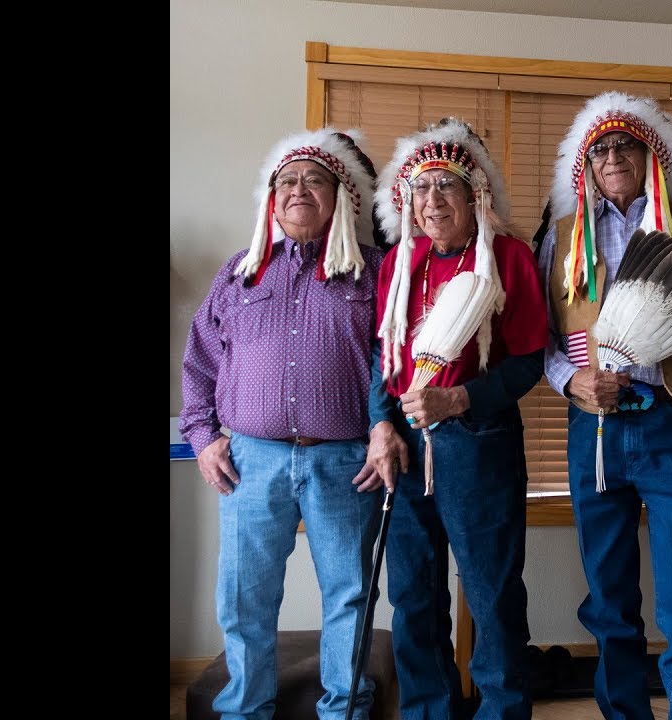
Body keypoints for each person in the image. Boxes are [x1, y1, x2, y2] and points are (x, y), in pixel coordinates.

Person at [536, 92, 672, 720]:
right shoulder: (563, 236)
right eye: (599, 149)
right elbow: (540, 336)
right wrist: (568, 380)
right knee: (608, 592)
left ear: (650, 152)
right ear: (585, 165)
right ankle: (624, 711)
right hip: (593, 428)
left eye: (625, 144)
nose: (612, 157)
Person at [179, 128, 388, 720]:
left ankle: (344, 709)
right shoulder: (238, 273)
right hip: (250, 460)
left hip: (346, 463)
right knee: (245, 600)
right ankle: (247, 709)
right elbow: (199, 361)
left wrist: (383, 430)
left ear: (342, 196)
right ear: (272, 198)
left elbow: (391, 365)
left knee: (350, 595)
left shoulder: (373, 273)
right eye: (287, 181)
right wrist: (202, 439)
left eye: (315, 179)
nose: (299, 189)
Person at [365, 118, 547, 720]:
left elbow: (526, 362)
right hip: (407, 448)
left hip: (479, 444)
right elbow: (381, 356)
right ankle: (428, 711)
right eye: (421, 188)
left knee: (492, 596)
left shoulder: (508, 258)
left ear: (475, 196)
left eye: (447, 186)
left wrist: (461, 399)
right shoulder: (398, 264)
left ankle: (502, 710)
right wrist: (381, 424)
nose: (433, 199)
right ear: (406, 201)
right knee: (414, 595)